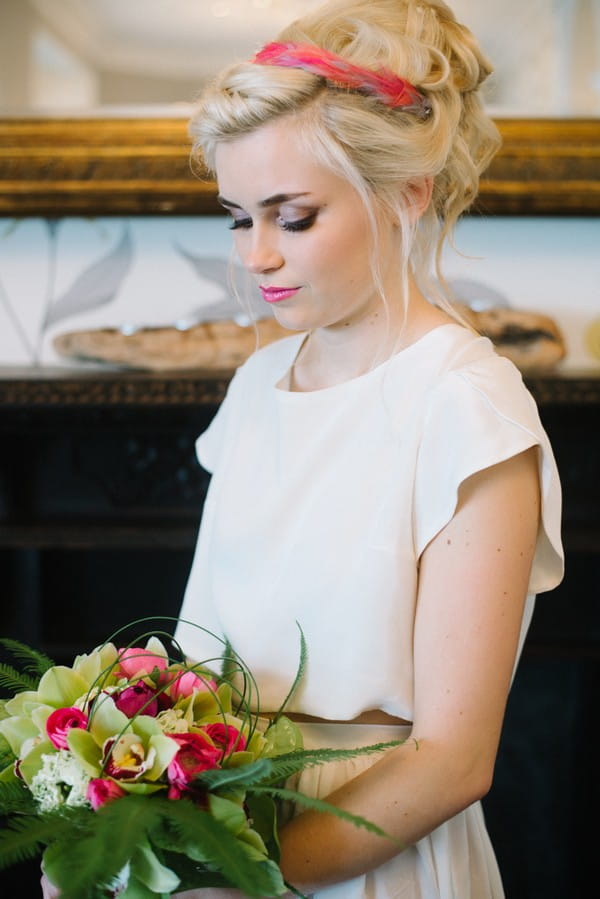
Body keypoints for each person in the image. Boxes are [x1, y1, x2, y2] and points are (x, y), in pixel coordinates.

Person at [42, 1, 564, 897]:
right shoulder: (258, 386)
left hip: (366, 850)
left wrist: (237, 877)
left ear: (406, 194)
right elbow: (195, 662)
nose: (258, 255)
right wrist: (126, 846)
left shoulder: (466, 411)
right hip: (219, 821)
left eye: (294, 216)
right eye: (239, 217)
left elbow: (453, 760)